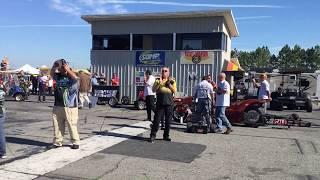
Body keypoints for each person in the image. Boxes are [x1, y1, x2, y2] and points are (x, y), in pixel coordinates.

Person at [49, 59, 80, 149]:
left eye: (62, 67)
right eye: (60, 67)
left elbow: (76, 79)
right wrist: (54, 66)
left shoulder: (72, 76)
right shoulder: (58, 76)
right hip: (58, 104)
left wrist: (68, 69)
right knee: (57, 124)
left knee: (71, 124)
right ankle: (58, 141)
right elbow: (51, 74)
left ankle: (75, 142)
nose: (61, 68)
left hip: (70, 105)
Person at [150, 66, 176, 143]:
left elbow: (175, 91)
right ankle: (152, 135)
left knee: (168, 121)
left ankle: (166, 136)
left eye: (166, 71)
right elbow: (153, 90)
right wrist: (160, 84)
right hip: (160, 103)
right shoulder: (157, 80)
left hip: (169, 103)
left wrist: (169, 85)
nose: (164, 72)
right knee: (157, 120)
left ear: (168, 73)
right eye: (163, 71)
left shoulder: (172, 80)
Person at [0, 90, 6, 159]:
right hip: (2, 113)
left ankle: (2, 152)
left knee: (0, 133)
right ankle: (2, 152)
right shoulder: (1, 91)